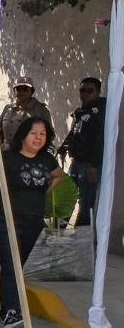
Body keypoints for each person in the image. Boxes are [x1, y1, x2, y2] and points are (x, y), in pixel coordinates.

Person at [0, 116, 63, 328]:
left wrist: (44, 189)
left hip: (33, 223)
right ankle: (12, 312)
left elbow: (59, 176)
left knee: (15, 266)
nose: (38, 138)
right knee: (12, 265)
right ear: (23, 135)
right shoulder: (7, 159)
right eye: (34, 133)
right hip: (6, 221)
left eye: (42, 134)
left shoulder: (47, 160)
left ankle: (3, 305)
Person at [60, 76, 106, 228]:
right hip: (77, 162)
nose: (85, 94)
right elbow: (75, 133)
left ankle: (81, 239)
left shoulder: (101, 111)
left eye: (89, 91)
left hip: (89, 165)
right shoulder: (82, 111)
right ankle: (57, 234)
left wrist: (94, 165)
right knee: (66, 198)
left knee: (86, 203)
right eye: (82, 90)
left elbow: (101, 139)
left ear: (98, 92)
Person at [0, 75, 54, 148]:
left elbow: (50, 135)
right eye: (18, 89)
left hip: (29, 156)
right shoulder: (8, 109)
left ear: (31, 92)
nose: (21, 92)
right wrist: (0, 148)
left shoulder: (41, 110)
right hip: (7, 155)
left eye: (25, 89)